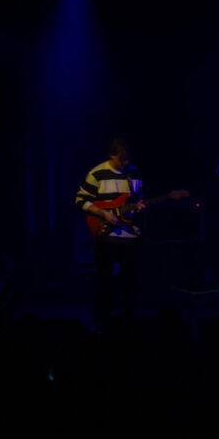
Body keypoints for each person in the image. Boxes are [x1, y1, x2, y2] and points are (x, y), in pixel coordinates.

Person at [75, 138, 145, 329]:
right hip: (106, 237)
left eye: (128, 159)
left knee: (131, 286)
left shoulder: (134, 172)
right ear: (112, 155)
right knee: (105, 285)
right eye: (122, 159)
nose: (126, 163)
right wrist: (103, 214)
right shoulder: (97, 173)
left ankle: (128, 327)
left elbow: (137, 199)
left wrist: (137, 209)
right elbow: (80, 200)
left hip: (130, 237)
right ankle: (102, 327)